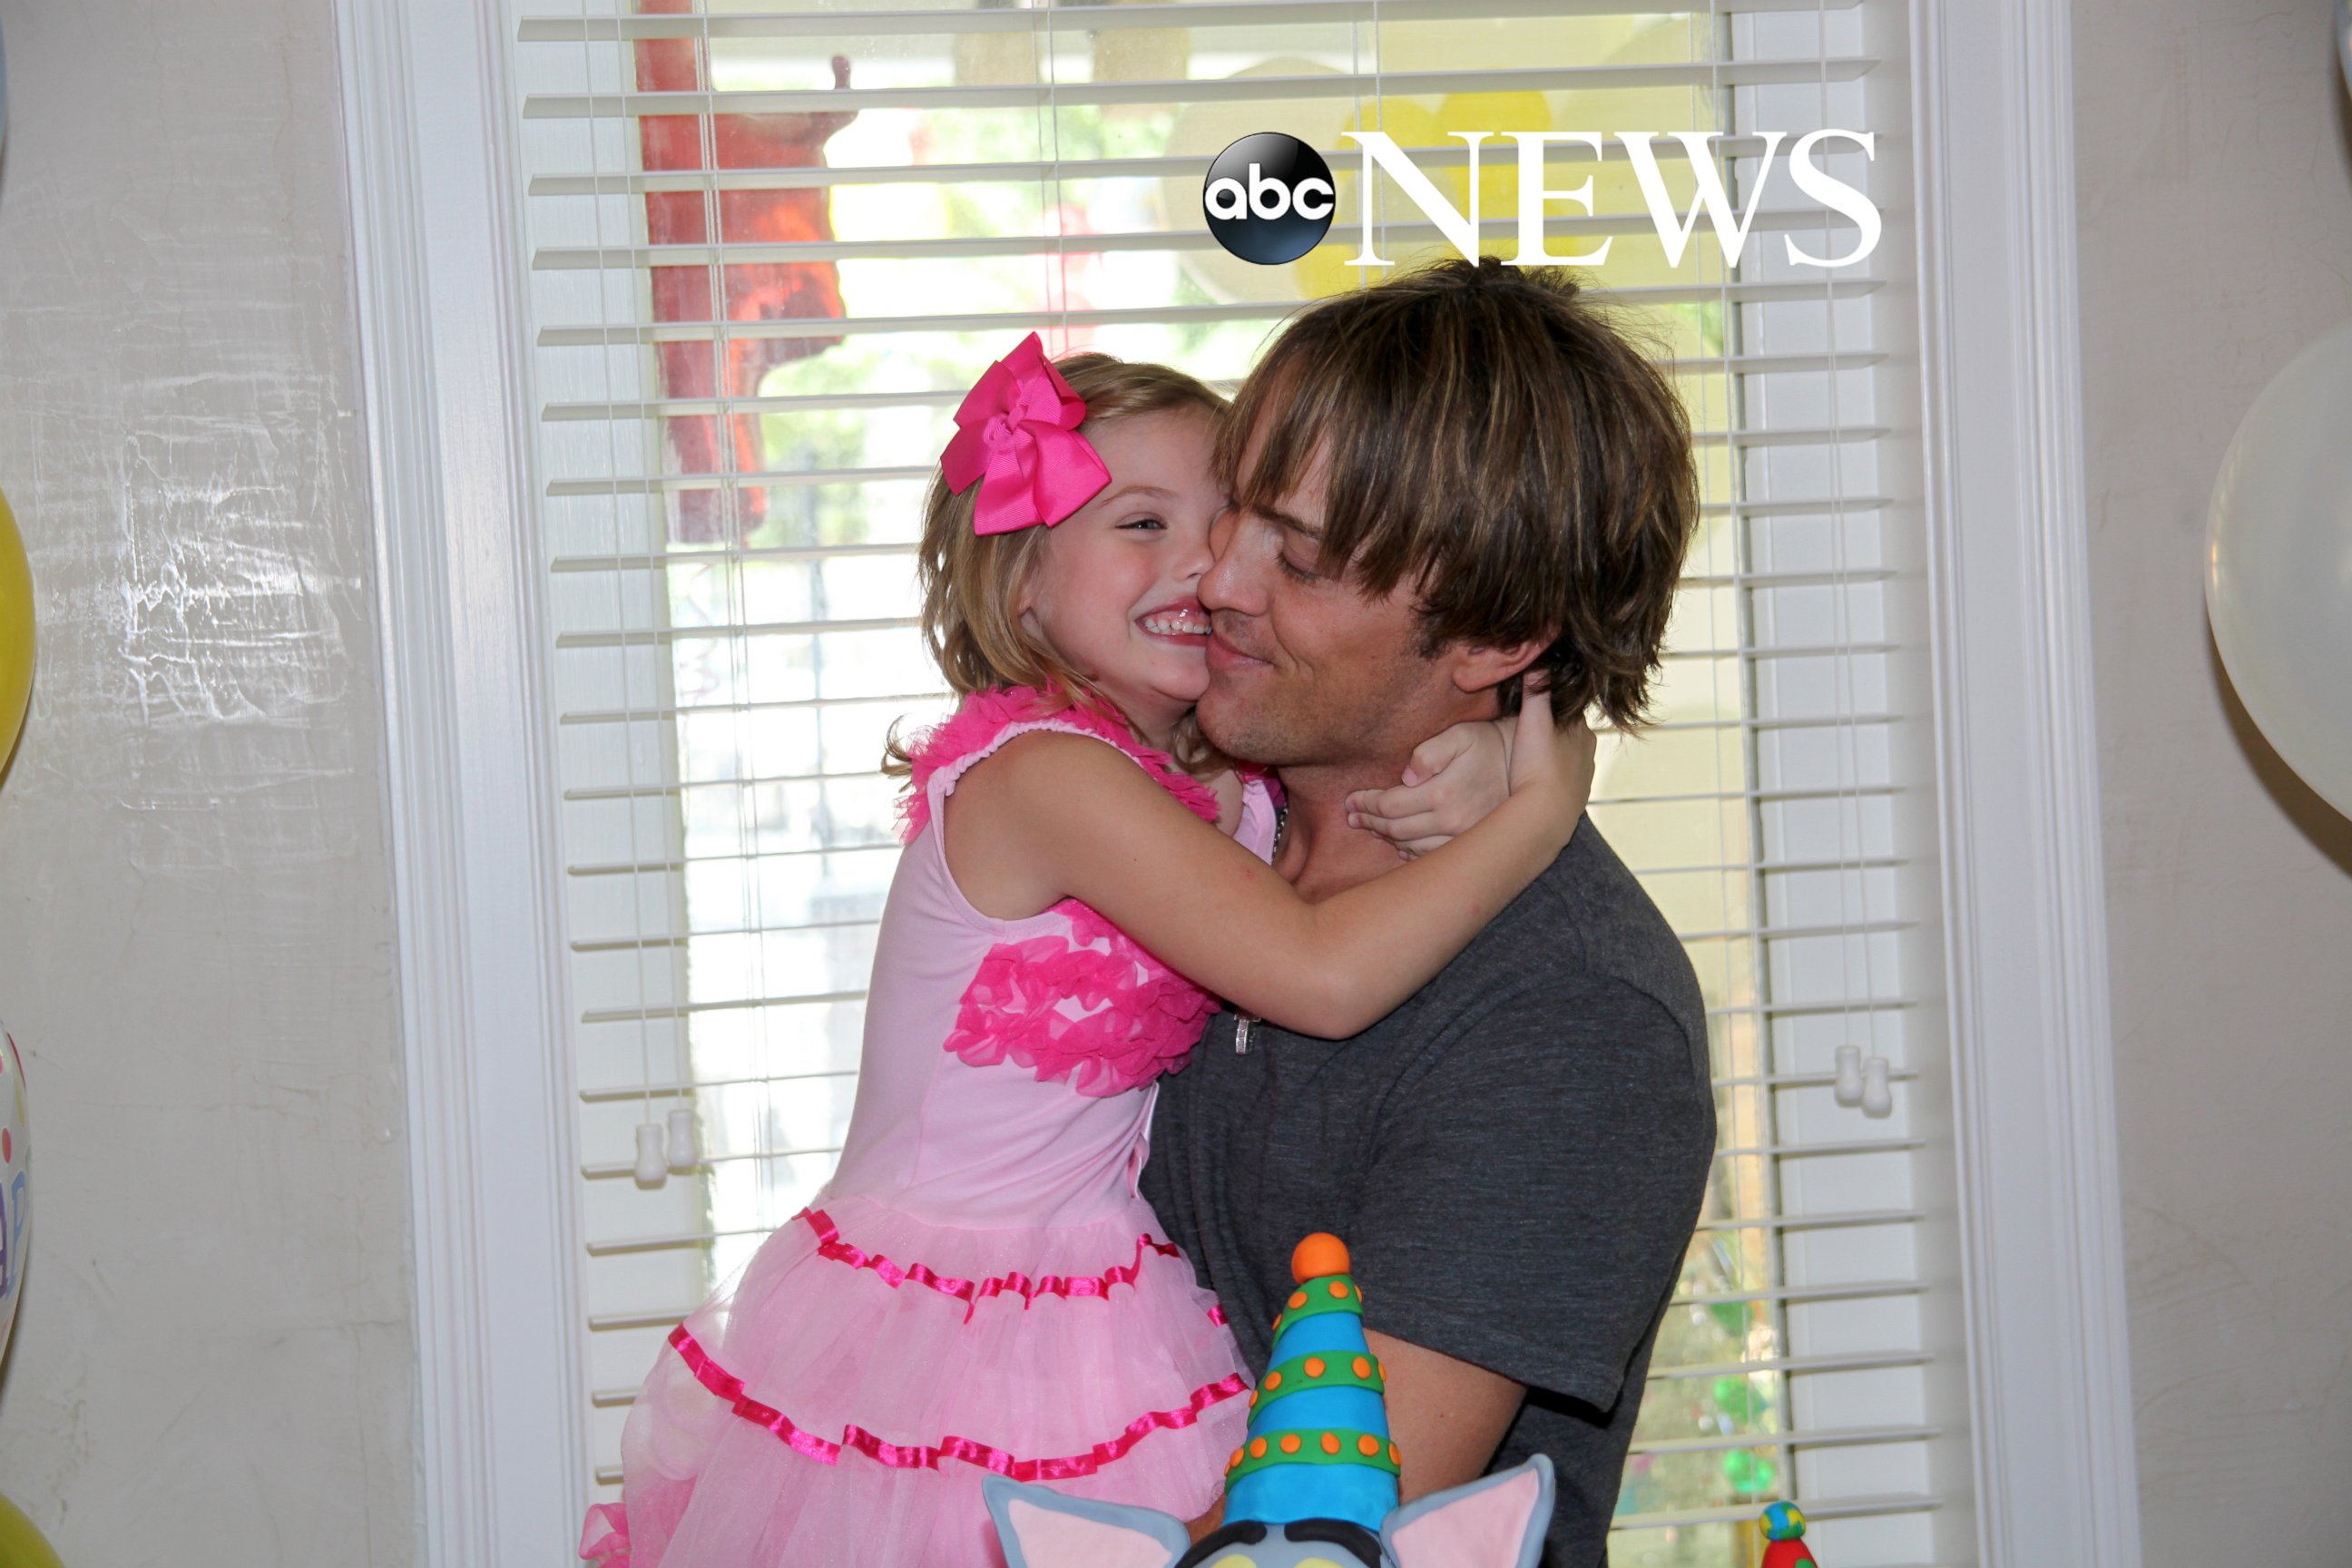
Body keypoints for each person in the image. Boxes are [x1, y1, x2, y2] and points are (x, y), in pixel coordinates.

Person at [580, 334, 1598, 1568]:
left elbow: (1395, 734)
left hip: (1101, 1289)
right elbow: (1322, 974)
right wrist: (1545, 808)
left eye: (1228, 522)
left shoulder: (1227, 775)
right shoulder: (1047, 781)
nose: (1209, 570)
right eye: (1140, 526)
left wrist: (1507, 746)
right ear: (1020, 584)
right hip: (940, 1315)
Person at [1140, 257, 1718, 1568]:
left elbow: (1308, 1532)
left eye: (1300, 553)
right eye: (1233, 510)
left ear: (1498, 636)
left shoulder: (1567, 1017)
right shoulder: (1192, 822)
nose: (1220, 579)